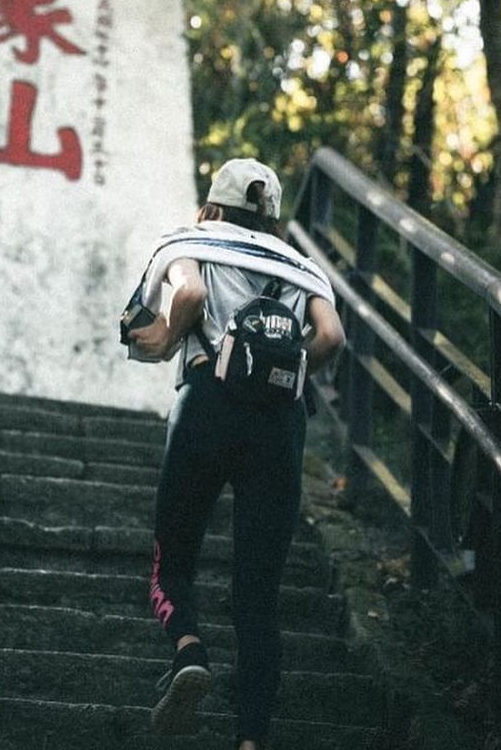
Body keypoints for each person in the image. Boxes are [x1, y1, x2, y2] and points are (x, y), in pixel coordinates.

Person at [127, 158, 345, 750]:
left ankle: (190, 650)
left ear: (212, 209)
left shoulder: (192, 239)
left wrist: (170, 337)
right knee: (259, 593)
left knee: (172, 564)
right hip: (279, 425)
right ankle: (251, 739)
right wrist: (284, 373)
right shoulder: (304, 267)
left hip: (207, 405)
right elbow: (331, 338)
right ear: (272, 217)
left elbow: (191, 292)